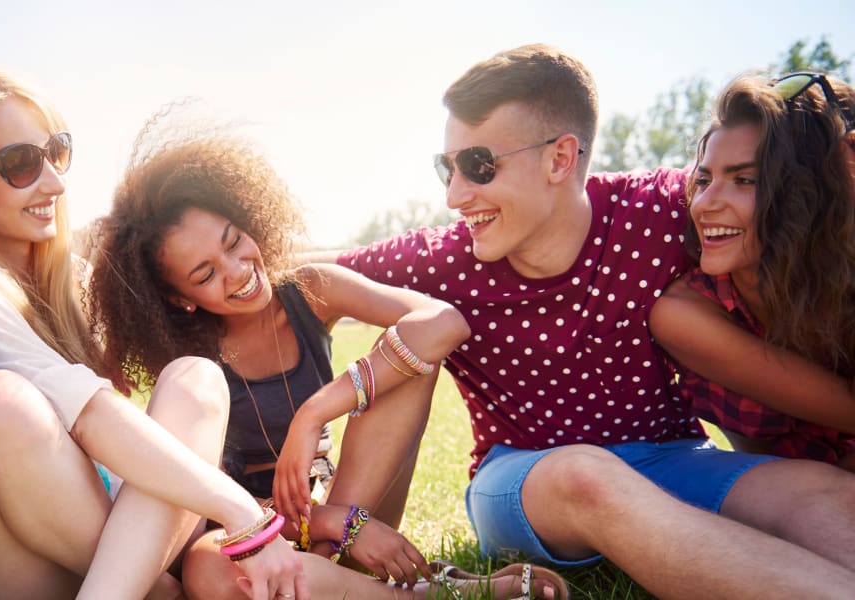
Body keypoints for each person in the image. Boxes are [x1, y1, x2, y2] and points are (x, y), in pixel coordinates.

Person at [329, 44, 855, 597]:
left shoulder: (678, 205)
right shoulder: (445, 257)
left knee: (826, 493)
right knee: (587, 475)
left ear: (560, 159)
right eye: (447, 167)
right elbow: (302, 282)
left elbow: (786, 183)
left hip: (673, 457)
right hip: (523, 475)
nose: (456, 195)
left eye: (478, 165)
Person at [88, 125, 567, 599]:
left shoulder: (310, 289)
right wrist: (335, 522)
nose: (237, 272)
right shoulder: (190, 370)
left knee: (411, 353)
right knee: (210, 567)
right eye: (206, 273)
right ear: (180, 298)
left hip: (350, 499)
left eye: (233, 241)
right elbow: (205, 513)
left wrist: (314, 413)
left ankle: (344, 581)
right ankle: (425, 593)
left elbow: (444, 324)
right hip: (263, 534)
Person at [0, 66, 304, 600]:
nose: (55, 182)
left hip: (117, 549)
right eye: (21, 164)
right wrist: (240, 511)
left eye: (56, 152)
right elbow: (89, 415)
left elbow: (174, 315)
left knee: (196, 379)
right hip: (17, 559)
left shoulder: (69, 276)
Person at [650, 73, 855, 470]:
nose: (705, 204)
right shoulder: (686, 311)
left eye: (744, 180)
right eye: (704, 179)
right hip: (789, 505)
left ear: (814, 192)